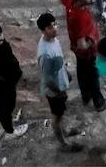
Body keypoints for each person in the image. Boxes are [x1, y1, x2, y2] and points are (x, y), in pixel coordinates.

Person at [36, 12, 83, 152]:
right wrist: (59, 92)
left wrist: (65, 73)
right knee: (57, 116)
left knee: (61, 113)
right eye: (50, 27)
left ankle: (65, 130)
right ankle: (63, 143)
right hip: (54, 92)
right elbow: (47, 79)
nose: (55, 28)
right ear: (43, 30)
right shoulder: (44, 53)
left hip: (60, 85)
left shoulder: (54, 40)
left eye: (55, 24)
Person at [61, 0, 106, 111]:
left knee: (81, 72)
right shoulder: (81, 17)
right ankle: (98, 101)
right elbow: (82, 44)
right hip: (88, 53)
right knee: (92, 76)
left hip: (76, 51)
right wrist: (93, 42)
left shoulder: (70, 3)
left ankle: (85, 96)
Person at [0, 24, 29, 140]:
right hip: (0, 86)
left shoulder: (4, 45)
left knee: (10, 104)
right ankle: (9, 131)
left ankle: (6, 124)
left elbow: (11, 60)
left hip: (9, 82)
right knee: (4, 108)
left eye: (0, 34)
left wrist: (16, 74)